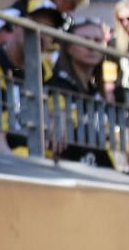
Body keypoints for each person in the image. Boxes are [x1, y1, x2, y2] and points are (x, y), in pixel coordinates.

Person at [0, 0, 61, 155]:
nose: (40, 34)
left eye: (49, 29)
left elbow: (57, 113)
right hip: (4, 159)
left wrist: (57, 120)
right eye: (35, 24)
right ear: (16, 25)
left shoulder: (46, 72)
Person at [46, 16, 114, 166]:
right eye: (85, 39)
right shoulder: (57, 86)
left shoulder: (96, 93)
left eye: (97, 41)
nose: (91, 46)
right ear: (69, 47)